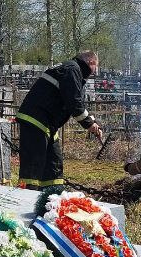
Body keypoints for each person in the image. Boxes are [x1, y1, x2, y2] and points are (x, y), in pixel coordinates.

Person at [17, 51, 103, 189]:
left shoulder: (72, 70)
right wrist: (89, 124)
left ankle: (51, 199)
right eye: (95, 68)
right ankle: (28, 197)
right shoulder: (72, 69)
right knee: (33, 166)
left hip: (48, 124)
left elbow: (76, 102)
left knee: (53, 165)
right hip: (36, 120)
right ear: (91, 62)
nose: (94, 72)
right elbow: (74, 102)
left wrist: (91, 120)